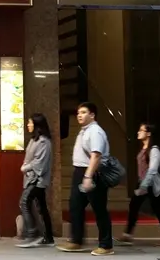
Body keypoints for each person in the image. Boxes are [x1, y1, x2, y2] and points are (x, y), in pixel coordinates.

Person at [57, 102, 113, 256]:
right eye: (78, 113)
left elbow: (96, 155)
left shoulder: (95, 131)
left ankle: (106, 245)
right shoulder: (84, 131)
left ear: (92, 115)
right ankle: (76, 240)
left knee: (99, 208)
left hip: (93, 172)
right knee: (75, 206)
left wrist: (88, 176)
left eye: (83, 112)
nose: (79, 115)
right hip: (79, 171)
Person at [117, 123, 160, 246]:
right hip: (142, 182)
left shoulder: (154, 150)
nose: (138, 132)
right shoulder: (143, 148)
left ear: (148, 133)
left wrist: (143, 186)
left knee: (158, 209)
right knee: (134, 206)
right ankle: (127, 234)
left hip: (151, 184)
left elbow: (152, 170)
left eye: (141, 130)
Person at [17, 113, 55, 248]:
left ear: (37, 125)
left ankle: (32, 234)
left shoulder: (44, 142)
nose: (28, 125)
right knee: (41, 207)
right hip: (32, 178)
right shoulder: (34, 140)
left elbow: (40, 163)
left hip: (37, 179)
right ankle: (48, 237)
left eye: (30, 123)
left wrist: (25, 168)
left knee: (24, 202)